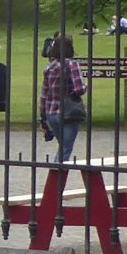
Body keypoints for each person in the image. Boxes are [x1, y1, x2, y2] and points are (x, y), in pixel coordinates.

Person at [38, 32, 89, 170]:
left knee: (63, 146)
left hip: (51, 113)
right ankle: (56, 176)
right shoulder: (72, 65)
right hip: (68, 112)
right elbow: (79, 89)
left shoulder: (49, 68)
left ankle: (56, 174)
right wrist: (85, 87)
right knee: (66, 149)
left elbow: (44, 94)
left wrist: (43, 116)